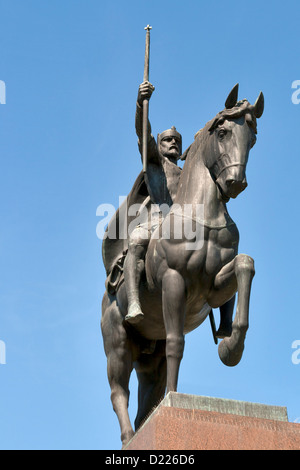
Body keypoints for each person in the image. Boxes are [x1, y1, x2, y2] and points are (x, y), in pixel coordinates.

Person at [124, 81, 182, 324]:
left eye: (176, 140)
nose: (173, 143)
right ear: (159, 145)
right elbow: (143, 133)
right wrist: (141, 102)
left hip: (186, 224)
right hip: (158, 220)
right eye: (168, 140)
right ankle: (134, 300)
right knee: (136, 241)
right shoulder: (156, 164)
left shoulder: (190, 172)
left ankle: (225, 315)